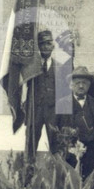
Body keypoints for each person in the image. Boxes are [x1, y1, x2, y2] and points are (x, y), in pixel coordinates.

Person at [54, 66, 94, 178]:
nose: (81, 86)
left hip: (92, 152)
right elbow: (55, 129)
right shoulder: (62, 104)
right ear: (71, 85)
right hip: (70, 153)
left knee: (91, 184)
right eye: (78, 83)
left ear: (89, 85)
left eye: (84, 83)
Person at [26, 29, 59, 158]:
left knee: (56, 146)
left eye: (48, 43)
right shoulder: (31, 67)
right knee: (30, 145)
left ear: (53, 45)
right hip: (35, 111)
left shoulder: (60, 67)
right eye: (42, 44)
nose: (45, 46)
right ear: (38, 46)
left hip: (53, 112)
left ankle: (57, 175)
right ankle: (28, 175)